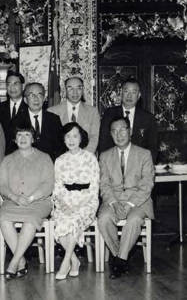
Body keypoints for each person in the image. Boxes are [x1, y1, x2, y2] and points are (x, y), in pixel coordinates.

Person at [98, 117, 154, 279]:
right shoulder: (105, 156)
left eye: (122, 130)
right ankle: (120, 257)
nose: (119, 134)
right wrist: (114, 203)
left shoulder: (144, 154)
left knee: (134, 220)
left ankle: (119, 261)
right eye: (114, 131)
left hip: (138, 201)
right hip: (113, 200)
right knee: (103, 219)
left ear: (130, 131)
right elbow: (104, 184)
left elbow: (147, 184)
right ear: (110, 134)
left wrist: (130, 204)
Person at [0, 127, 54, 279]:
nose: (23, 138)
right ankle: (21, 261)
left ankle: (13, 263)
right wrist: (15, 198)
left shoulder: (44, 158)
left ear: (33, 139)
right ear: (15, 140)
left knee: (30, 220)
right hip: (13, 201)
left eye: (27, 135)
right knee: (3, 218)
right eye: (19, 135)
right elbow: (2, 185)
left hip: (39, 202)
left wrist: (30, 198)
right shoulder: (7, 159)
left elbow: (48, 184)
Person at [51, 122, 99, 280]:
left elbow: (94, 188)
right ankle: (74, 260)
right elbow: (57, 187)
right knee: (60, 221)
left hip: (86, 202)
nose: (71, 140)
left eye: (75, 136)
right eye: (68, 136)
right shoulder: (59, 160)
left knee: (73, 221)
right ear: (63, 139)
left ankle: (65, 262)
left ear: (81, 138)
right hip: (65, 201)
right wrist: (63, 204)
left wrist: (79, 204)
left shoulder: (90, 158)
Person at [98, 78, 158, 162]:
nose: (129, 96)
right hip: (114, 163)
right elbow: (103, 144)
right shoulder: (109, 114)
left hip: (139, 164)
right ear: (121, 93)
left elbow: (152, 147)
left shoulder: (148, 118)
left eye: (133, 92)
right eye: (126, 91)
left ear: (139, 95)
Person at [13, 82, 65, 161]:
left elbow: (60, 148)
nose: (36, 98)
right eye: (31, 95)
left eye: (39, 95)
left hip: (50, 166)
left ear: (44, 98)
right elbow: (12, 150)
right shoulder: (16, 121)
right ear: (25, 100)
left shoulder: (54, 119)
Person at [48, 76, 100, 153]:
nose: (75, 92)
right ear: (64, 90)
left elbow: (94, 137)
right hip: (60, 158)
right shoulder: (52, 111)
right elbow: (51, 140)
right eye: (70, 88)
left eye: (79, 88)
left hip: (85, 158)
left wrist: (83, 156)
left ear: (83, 90)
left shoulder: (92, 112)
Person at [0, 71, 28, 155]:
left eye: (15, 83)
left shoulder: (29, 107)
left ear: (22, 86)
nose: (12, 87)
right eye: (9, 84)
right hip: (4, 156)